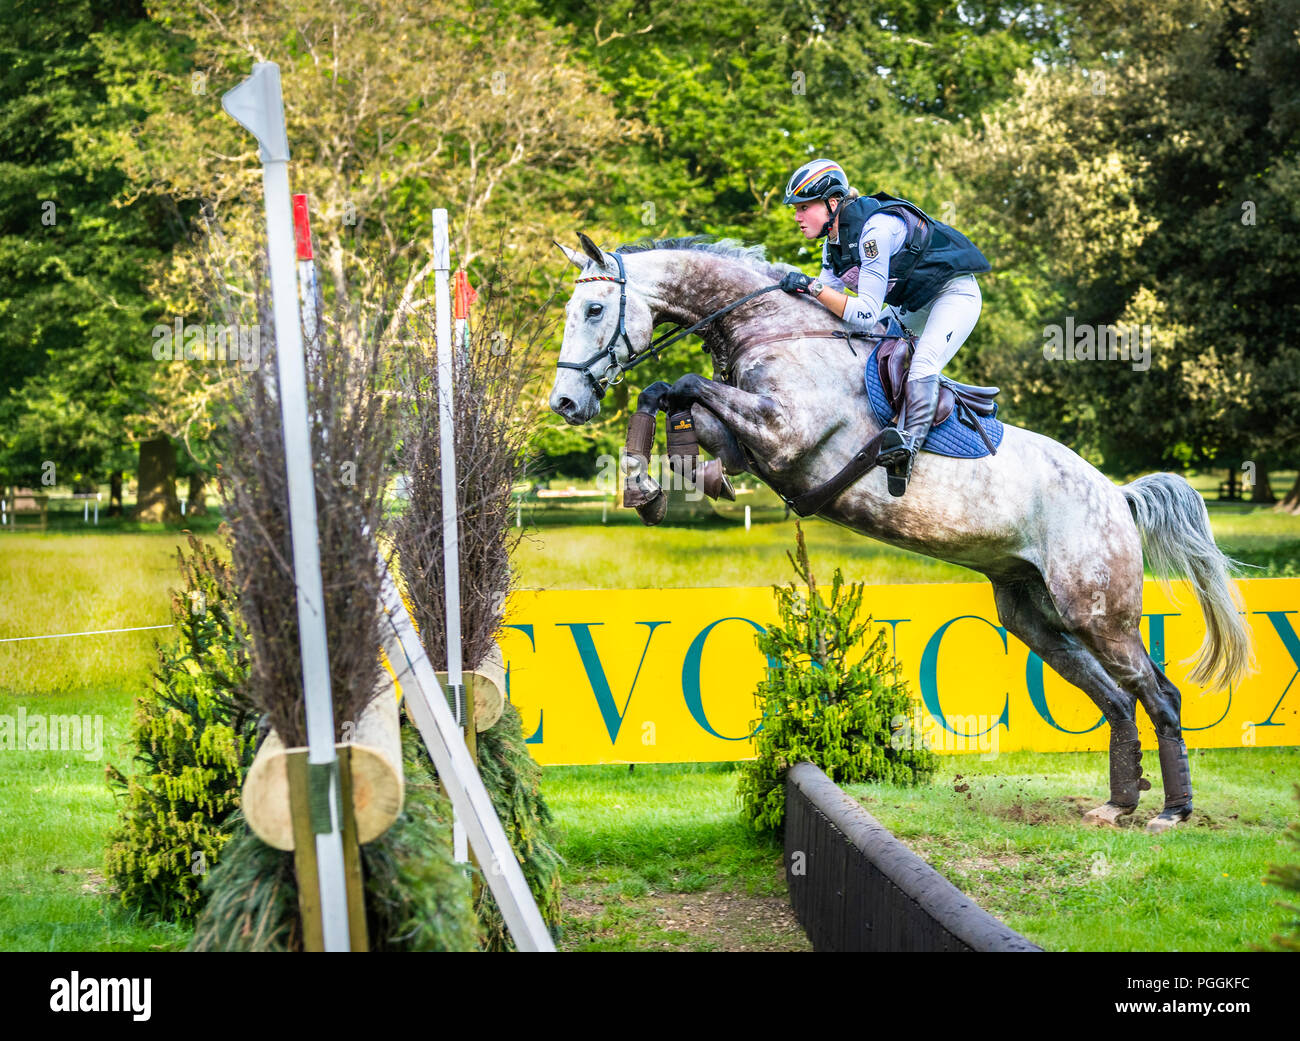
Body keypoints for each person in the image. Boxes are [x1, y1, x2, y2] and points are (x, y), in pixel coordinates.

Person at [776, 158, 991, 496]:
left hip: (953, 295)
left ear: (832, 203)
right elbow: (826, 304)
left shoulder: (874, 231)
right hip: (913, 306)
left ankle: (905, 448)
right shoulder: (833, 245)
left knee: (923, 364)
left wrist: (812, 287)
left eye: (804, 207)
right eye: (796, 209)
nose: (797, 217)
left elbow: (863, 312)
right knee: (872, 350)